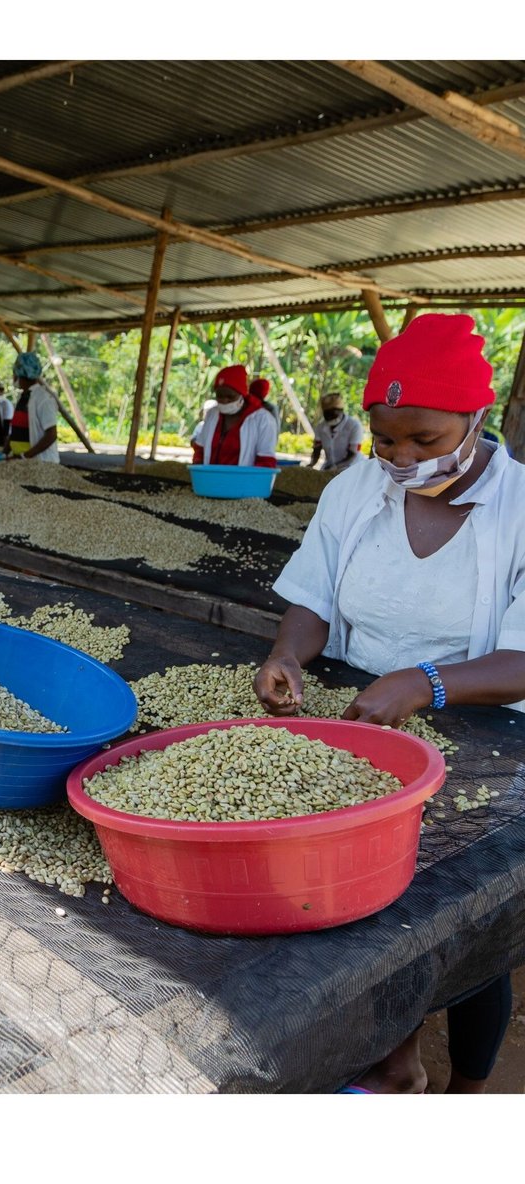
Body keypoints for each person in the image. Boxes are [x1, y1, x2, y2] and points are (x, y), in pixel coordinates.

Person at [253, 313, 524, 1094]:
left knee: (467, 923)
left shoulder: (522, 509)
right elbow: (310, 596)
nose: (402, 458)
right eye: (386, 439)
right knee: (373, 910)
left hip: (484, 739)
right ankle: (394, 1059)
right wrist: (286, 654)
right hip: (363, 721)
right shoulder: (354, 489)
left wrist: (427, 683)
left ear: (480, 416)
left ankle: (467, 1092)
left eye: (427, 441)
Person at [191, 365, 277, 467]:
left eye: (230, 396)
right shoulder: (213, 414)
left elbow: (265, 461)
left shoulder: (263, 420)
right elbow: (200, 448)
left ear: (242, 394)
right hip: (211, 479)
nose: (224, 400)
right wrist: (199, 470)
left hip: (243, 481)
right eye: (220, 396)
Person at [4, 352, 60, 462]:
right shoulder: (24, 397)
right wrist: (4, 453)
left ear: (20, 374)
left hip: (41, 463)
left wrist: (26, 455)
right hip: (23, 461)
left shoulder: (43, 399)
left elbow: (51, 435)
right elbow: (16, 430)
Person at [309, 392, 364, 472]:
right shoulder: (320, 427)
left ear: (341, 410)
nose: (330, 416)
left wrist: (336, 467)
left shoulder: (354, 426)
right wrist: (311, 464)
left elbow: (352, 453)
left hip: (352, 467)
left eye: (333, 413)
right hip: (330, 467)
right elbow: (317, 449)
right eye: (327, 413)